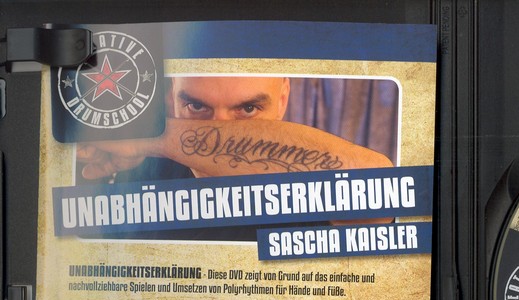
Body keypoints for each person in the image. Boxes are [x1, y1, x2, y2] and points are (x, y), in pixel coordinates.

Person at [76, 75, 393, 182]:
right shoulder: (126, 167)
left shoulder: (312, 188)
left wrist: (152, 137)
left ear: (283, 99)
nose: (221, 128)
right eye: (196, 107)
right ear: (171, 97)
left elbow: (379, 182)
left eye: (248, 109)